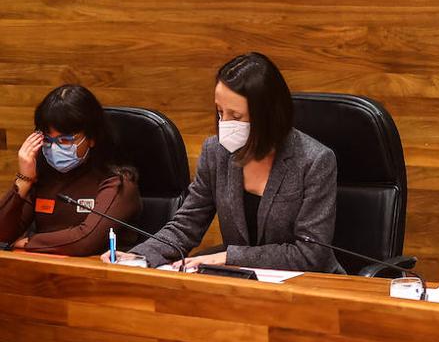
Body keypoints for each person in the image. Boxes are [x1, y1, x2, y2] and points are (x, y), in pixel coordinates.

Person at [111, 53, 341, 273]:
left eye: (236, 116)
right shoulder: (216, 152)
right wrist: (141, 256)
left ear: (268, 115)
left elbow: (311, 253)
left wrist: (229, 257)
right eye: (220, 112)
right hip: (241, 283)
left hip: (308, 286)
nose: (225, 124)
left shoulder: (314, 160)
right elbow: (187, 223)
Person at [0, 84, 141, 255]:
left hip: (99, 277)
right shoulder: (43, 178)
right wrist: (23, 180)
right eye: (47, 139)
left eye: (65, 140)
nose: (53, 149)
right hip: (42, 274)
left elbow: (85, 240)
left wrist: (31, 242)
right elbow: (2, 235)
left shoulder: (118, 182)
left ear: (91, 138)